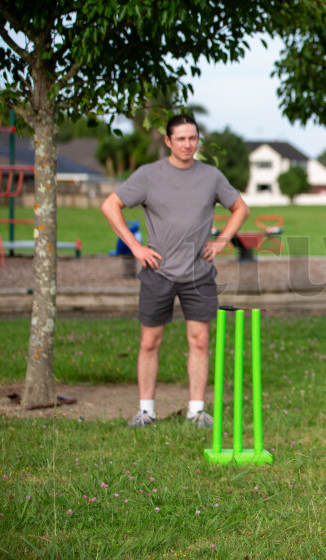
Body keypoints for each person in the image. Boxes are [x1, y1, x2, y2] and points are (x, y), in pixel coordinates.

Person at [101, 114, 249, 428]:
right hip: (158, 272)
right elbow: (110, 205)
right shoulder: (148, 175)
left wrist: (222, 241)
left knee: (199, 341)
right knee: (149, 342)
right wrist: (136, 247)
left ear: (198, 140)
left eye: (192, 138)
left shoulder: (211, 176)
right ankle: (146, 412)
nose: (187, 144)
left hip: (199, 273)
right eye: (180, 139)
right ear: (168, 141)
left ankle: (196, 411)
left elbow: (241, 208)